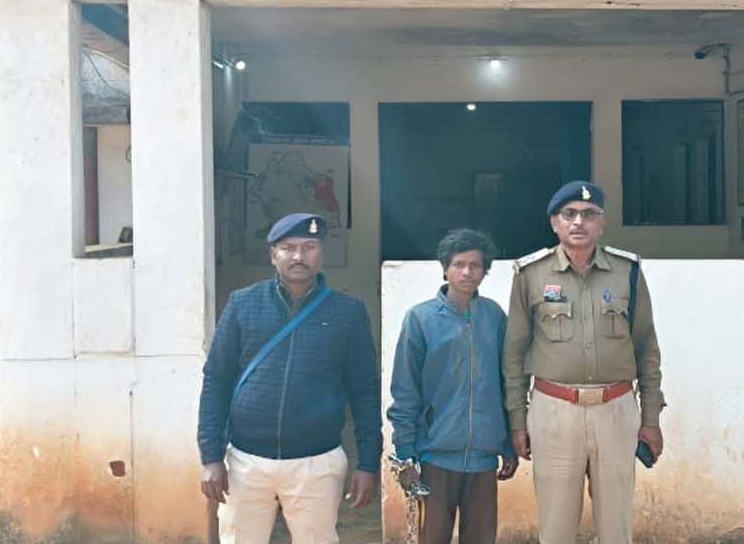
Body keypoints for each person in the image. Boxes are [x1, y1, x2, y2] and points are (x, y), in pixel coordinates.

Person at [198, 212, 380, 544]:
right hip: (246, 462)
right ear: (273, 255)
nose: (299, 256)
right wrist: (210, 456)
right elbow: (216, 381)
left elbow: (365, 391)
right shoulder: (243, 304)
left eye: (309, 247)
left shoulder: (348, 312)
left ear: (321, 253)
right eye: (288, 247)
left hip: (317, 463)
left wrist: (368, 464)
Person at [502, 181, 664, 544]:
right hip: (554, 411)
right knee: (556, 528)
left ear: (601, 223)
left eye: (589, 214)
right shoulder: (531, 274)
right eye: (569, 214)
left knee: (616, 528)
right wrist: (517, 420)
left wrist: (651, 419)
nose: (579, 222)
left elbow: (646, 349)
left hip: (616, 410)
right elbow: (514, 354)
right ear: (554, 222)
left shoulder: (627, 271)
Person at [387, 228, 519, 544]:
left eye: (475, 265)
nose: (467, 272)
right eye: (459, 264)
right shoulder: (420, 319)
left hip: (483, 458)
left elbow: (507, 383)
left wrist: (508, 444)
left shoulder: (494, 317)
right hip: (434, 457)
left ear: (485, 271)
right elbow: (405, 390)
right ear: (445, 268)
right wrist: (406, 454)